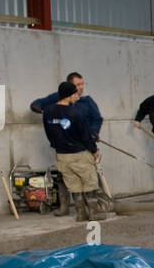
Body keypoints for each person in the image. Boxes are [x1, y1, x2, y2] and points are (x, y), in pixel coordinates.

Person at [31, 72, 105, 214]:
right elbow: (83, 134)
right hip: (81, 150)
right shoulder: (75, 112)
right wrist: (93, 148)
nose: (80, 89)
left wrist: (94, 133)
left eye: (82, 85)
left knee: (74, 184)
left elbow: (97, 119)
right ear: (70, 91)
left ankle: (82, 213)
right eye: (77, 85)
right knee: (88, 182)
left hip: (64, 151)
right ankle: (91, 213)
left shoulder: (86, 101)